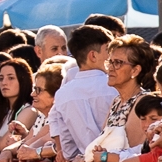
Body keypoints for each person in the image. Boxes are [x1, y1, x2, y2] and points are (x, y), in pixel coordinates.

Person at [48, 26, 119, 154]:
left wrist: (71, 156)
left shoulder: (62, 94)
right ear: (92, 55)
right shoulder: (116, 86)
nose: (112, 57)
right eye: (108, 50)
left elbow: (67, 146)